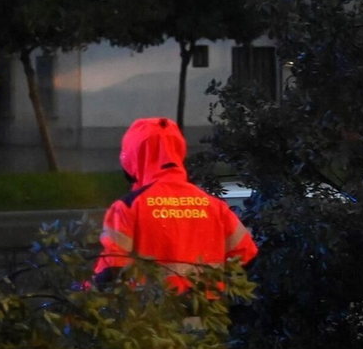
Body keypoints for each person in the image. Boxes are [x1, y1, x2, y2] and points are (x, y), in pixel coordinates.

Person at [92, 117, 258, 296]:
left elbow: (111, 269)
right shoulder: (214, 206)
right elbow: (246, 255)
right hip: (206, 315)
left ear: (131, 158)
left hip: (150, 318)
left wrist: (83, 296)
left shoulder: (128, 207)